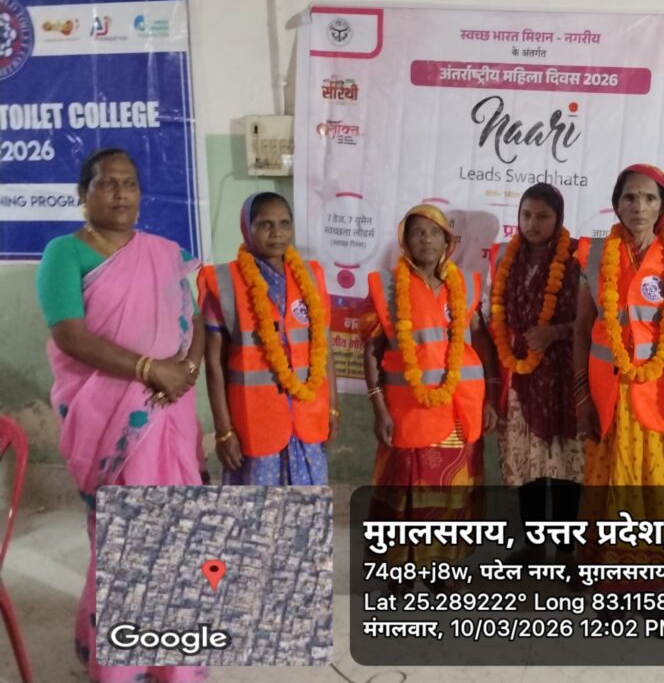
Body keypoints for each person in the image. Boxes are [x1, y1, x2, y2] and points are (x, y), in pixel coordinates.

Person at [36, 148, 208, 683]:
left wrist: (186, 371)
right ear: (83, 194)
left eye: (129, 184)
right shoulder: (64, 253)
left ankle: (174, 664)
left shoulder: (163, 253)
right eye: (107, 183)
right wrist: (149, 369)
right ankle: (122, 666)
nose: (120, 194)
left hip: (170, 413)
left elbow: (195, 319)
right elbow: (70, 335)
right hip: (112, 419)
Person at [573, 163, 664, 581]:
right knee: (607, 482)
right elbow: (581, 329)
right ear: (616, 204)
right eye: (629, 197)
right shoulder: (593, 255)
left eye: (649, 198)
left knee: (662, 484)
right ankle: (614, 580)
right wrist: (581, 397)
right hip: (608, 397)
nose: (639, 206)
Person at [363, 204, 500, 566]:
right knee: (403, 491)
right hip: (407, 413)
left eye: (434, 232)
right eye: (417, 232)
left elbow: (481, 342)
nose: (426, 239)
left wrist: (491, 395)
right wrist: (378, 408)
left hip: (460, 411)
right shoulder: (387, 288)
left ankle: (443, 568)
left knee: (453, 495)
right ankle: (399, 571)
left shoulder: (465, 285)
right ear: (405, 241)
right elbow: (371, 350)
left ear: (447, 241)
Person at [198, 192, 337, 485]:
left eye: (285, 223)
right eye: (265, 225)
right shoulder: (223, 282)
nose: (277, 233)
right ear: (247, 228)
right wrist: (223, 430)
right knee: (259, 507)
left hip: (307, 416)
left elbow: (324, 348)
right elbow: (214, 364)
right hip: (255, 421)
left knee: (307, 504)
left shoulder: (311, 276)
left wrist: (332, 406)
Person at [488, 183, 582, 565]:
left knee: (563, 465)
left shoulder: (575, 259)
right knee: (528, 464)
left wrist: (554, 332)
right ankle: (533, 544)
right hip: (521, 376)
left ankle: (566, 550)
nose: (533, 223)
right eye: (526, 215)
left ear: (558, 218)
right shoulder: (507, 259)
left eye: (543, 216)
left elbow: (592, 322)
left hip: (563, 376)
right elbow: (496, 314)